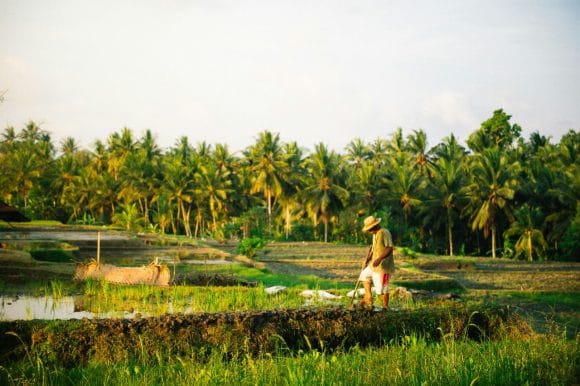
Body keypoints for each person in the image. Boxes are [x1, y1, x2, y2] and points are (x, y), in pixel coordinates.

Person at [358, 215, 395, 310]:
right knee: (364, 275)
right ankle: (368, 297)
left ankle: (385, 307)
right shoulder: (375, 234)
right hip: (373, 264)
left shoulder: (384, 232)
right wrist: (367, 259)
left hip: (383, 266)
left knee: (382, 289)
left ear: (375, 226)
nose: (370, 232)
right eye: (369, 230)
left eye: (370, 229)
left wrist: (379, 259)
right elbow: (373, 249)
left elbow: (389, 248)